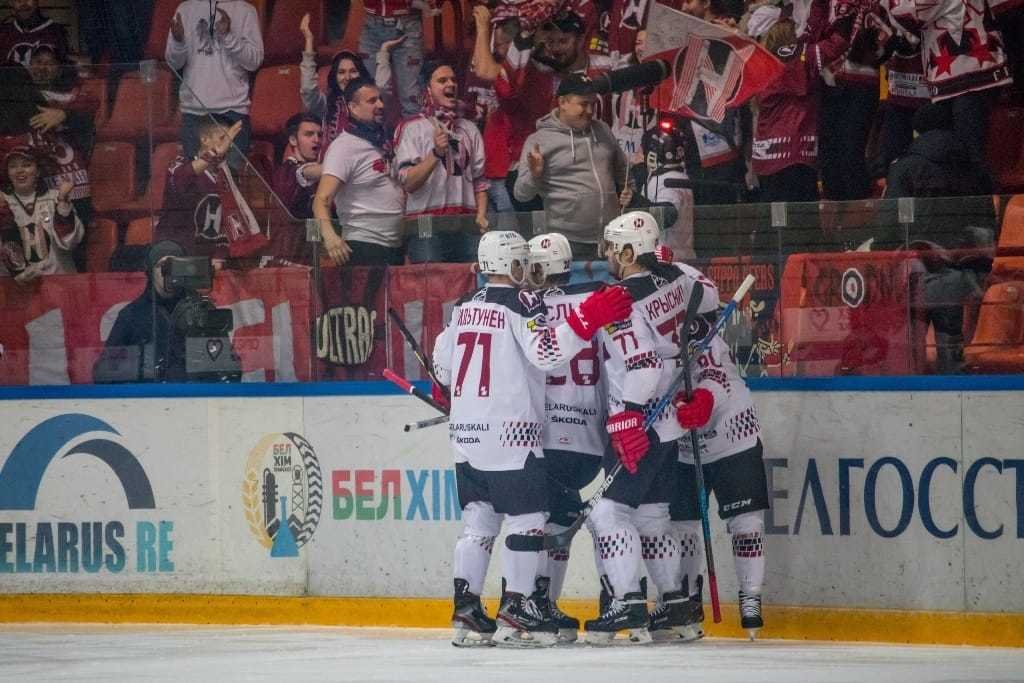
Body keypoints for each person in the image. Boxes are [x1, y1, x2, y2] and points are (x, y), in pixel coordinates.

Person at [431, 230, 632, 648]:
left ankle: (466, 609)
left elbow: (443, 371)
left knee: (479, 520)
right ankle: (519, 608)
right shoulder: (521, 302)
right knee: (528, 519)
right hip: (511, 433)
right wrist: (582, 321)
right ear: (514, 266)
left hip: (466, 435)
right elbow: (545, 354)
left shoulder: (463, 306)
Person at [583, 210, 718, 644]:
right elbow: (711, 297)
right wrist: (672, 265)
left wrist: (628, 416)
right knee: (653, 516)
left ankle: (627, 605)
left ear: (627, 251)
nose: (607, 254)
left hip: (643, 422)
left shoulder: (620, 297)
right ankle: (676, 606)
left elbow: (642, 367)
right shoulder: (677, 281)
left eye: (611, 247)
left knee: (607, 514)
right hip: (672, 420)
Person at [669, 281, 770, 640]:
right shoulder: (656, 329)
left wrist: (705, 400)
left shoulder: (706, 335)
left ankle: (750, 597)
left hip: (733, 436)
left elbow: (717, 375)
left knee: (747, 524)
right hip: (684, 443)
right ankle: (687, 598)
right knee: (682, 527)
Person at [525, 232, 609, 644]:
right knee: (569, 520)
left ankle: (537, 604)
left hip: (544, 438)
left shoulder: (527, 307)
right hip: (593, 438)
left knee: (540, 523)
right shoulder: (596, 300)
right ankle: (617, 597)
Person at [514, 74, 631, 260]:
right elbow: (521, 194)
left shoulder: (602, 130)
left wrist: (628, 190)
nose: (590, 110)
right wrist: (535, 175)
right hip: (566, 244)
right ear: (562, 102)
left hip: (612, 239)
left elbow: (624, 173)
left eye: (593, 103)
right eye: (584, 104)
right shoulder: (539, 141)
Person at [395, 60, 489, 263]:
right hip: (426, 229)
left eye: (453, 80)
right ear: (427, 88)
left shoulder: (469, 129)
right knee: (432, 289)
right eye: (442, 80)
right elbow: (407, 182)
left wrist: (480, 216)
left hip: (466, 227)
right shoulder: (412, 128)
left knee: (472, 286)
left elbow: (480, 182)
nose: (451, 84)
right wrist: (436, 154)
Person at [314, 78, 405, 267]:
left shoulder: (380, 142)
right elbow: (321, 199)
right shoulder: (344, 146)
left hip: (393, 246)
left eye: (380, 99)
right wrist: (330, 237)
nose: (380, 105)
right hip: (364, 247)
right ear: (353, 108)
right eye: (372, 101)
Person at [165, 0, 263, 168]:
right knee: (196, 186)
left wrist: (228, 37)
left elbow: (254, 61)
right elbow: (173, 64)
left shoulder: (245, 10)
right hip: (194, 112)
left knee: (231, 186)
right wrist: (178, 41)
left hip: (233, 112)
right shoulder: (185, 9)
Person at [156, 117, 267, 261]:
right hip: (175, 251)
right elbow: (182, 176)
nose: (229, 145)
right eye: (223, 138)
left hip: (210, 254)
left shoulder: (228, 173)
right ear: (205, 139)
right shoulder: (179, 164)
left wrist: (220, 256)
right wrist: (215, 152)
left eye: (230, 140)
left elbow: (227, 220)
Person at [299, 12, 400, 155]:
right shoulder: (327, 105)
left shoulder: (374, 102)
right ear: (334, 76)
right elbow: (308, 89)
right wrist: (309, 41)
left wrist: (383, 53)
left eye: (353, 71)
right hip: (333, 169)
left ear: (361, 74)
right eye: (341, 72)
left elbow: (383, 88)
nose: (347, 77)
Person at [93, 240, 190, 383]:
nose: (168, 273)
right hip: (145, 398)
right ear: (151, 271)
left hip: (192, 397)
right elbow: (103, 373)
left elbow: (226, 369)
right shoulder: (131, 315)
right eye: (162, 266)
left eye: (175, 266)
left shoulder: (200, 311)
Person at [0, 146, 82, 281]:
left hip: (60, 282)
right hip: (20, 288)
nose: (20, 171)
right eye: (13, 167)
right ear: (7, 173)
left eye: (27, 165)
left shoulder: (56, 197)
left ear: (38, 171)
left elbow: (70, 242)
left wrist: (63, 202)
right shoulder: (3, 203)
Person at [359, 0, 430, 116]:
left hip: (407, 22)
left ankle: (414, 132)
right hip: (371, 24)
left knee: (411, 95)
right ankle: (372, 133)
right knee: (368, 92)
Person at [268, 113, 322, 265]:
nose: (316, 139)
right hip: (286, 259)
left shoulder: (318, 177)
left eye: (320, 134)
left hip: (309, 257)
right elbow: (309, 172)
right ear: (293, 140)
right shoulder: (288, 171)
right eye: (309, 134)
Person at [0, 0, 70, 67]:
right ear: (11, 3)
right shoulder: (4, 32)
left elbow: (66, 67)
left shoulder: (56, 31)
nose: (23, 4)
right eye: (18, 0)